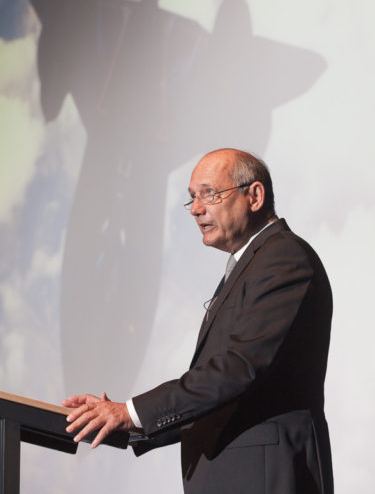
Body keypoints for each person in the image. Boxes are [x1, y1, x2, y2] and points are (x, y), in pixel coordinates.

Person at [63, 148, 334, 494]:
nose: (195, 209)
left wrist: (132, 412)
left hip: (263, 476)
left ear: (254, 195)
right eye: (192, 198)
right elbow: (224, 398)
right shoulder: (253, 262)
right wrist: (125, 422)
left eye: (209, 193)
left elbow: (238, 370)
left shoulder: (283, 259)